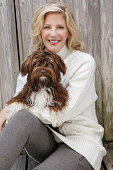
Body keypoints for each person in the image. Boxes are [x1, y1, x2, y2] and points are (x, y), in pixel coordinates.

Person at [0, 2, 106, 170]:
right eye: (47, 27)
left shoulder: (83, 62)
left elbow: (61, 114)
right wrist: (13, 110)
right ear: (40, 31)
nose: (53, 33)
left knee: (19, 111)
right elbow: (20, 115)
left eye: (60, 27)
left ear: (69, 31)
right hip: (47, 145)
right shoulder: (30, 65)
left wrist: (9, 109)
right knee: (22, 117)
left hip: (79, 145)